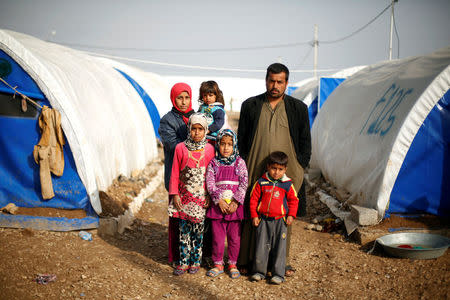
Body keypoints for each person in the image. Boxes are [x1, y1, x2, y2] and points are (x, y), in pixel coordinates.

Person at [237, 63, 311, 276]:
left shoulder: (298, 108)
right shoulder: (251, 105)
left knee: (283, 215)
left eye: (280, 82)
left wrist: (299, 165)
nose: (275, 85)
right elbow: (242, 139)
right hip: (255, 169)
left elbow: (305, 141)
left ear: (287, 83)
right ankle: (247, 259)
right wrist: (244, 164)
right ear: (266, 80)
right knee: (252, 212)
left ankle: (280, 263)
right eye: (271, 80)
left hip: (287, 172)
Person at [168, 113, 215, 275]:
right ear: (189, 129)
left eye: (200, 129)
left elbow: (211, 175)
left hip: (201, 198)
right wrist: (175, 194)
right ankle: (183, 262)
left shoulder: (209, 150)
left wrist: (209, 195)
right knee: (184, 231)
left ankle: (196, 261)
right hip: (184, 197)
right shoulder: (180, 148)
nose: (196, 132)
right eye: (193, 129)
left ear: (206, 130)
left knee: (198, 232)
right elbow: (174, 172)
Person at [249, 151, 298, 285]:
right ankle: (259, 272)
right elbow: (253, 200)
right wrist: (254, 215)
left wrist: (291, 215)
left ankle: (278, 274)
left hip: (280, 221)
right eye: (274, 168)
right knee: (261, 247)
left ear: (285, 169)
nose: (276, 172)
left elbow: (294, 200)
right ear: (268, 167)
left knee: (279, 248)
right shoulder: (261, 182)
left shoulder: (287, 184)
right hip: (263, 220)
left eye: (280, 169)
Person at [158, 82, 194, 265]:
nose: (183, 102)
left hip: (197, 177)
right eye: (180, 97)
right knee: (177, 218)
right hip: (177, 176)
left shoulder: (198, 117)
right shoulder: (167, 120)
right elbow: (172, 145)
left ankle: (196, 255)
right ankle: (176, 256)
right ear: (173, 98)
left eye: (187, 97)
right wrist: (195, 141)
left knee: (197, 218)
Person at [204, 129, 248, 279]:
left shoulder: (240, 162)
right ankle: (218, 263)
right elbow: (210, 183)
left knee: (234, 238)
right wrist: (218, 200)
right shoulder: (213, 163)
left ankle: (232, 263)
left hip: (234, 207)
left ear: (234, 145)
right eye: (222, 144)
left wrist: (236, 201)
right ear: (218, 145)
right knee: (217, 237)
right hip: (218, 207)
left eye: (230, 144)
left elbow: (244, 183)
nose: (226, 148)